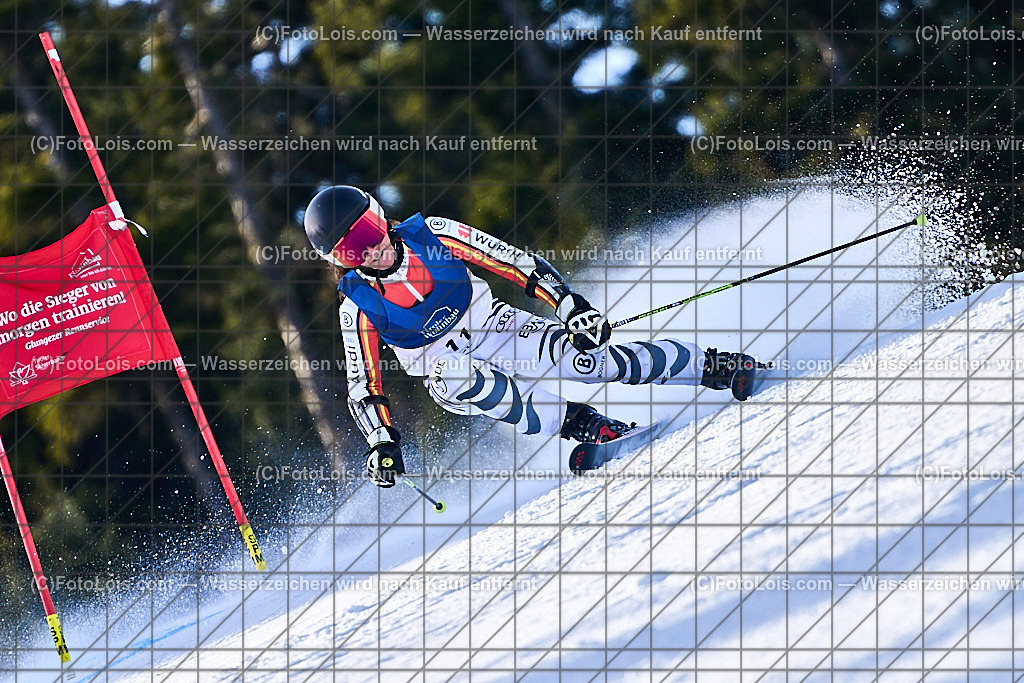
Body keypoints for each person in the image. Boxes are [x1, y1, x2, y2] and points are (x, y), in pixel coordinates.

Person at [304, 186, 765, 488]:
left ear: (381, 217)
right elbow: (364, 385)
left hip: (496, 325)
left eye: (368, 232)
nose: (371, 250)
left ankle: (716, 366)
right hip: (445, 371)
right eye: (352, 250)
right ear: (341, 262)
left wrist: (570, 307)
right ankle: (590, 427)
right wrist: (380, 440)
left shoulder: (434, 234)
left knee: (591, 362)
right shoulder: (357, 306)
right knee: (458, 374)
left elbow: (515, 263)